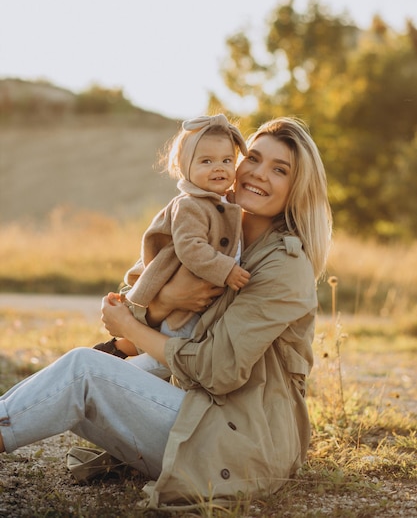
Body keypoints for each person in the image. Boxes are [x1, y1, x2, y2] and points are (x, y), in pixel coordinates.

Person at [0, 116, 332, 508]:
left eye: (280, 170)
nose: (258, 174)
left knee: (83, 372)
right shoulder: (216, 226)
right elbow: (142, 290)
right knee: (76, 381)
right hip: (201, 412)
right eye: (254, 159)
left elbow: (218, 369)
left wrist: (131, 328)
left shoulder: (285, 266)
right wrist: (164, 303)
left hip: (239, 443)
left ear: (298, 187)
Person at [93, 114, 250, 374]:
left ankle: (119, 355)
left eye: (227, 160)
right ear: (185, 168)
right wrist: (226, 269)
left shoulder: (222, 202)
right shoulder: (189, 204)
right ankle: (114, 374)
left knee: (177, 352)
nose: (219, 167)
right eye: (206, 161)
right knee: (167, 356)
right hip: (183, 308)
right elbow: (190, 247)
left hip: (201, 306)